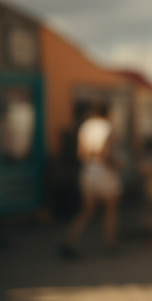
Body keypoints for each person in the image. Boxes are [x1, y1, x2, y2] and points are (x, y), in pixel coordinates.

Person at [60, 103, 122, 259]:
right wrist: (117, 164)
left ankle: (70, 241)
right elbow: (105, 153)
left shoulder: (86, 127)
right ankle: (110, 244)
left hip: (88, 172)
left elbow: (82, 153)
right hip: (104, 173)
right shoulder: (107, 127)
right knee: (110, 210)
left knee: (87, 210)